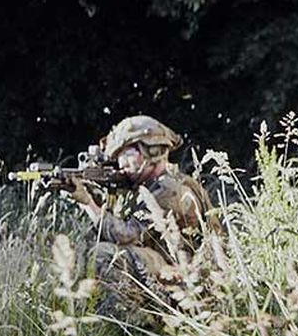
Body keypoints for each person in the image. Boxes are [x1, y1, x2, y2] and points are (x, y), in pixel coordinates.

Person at [64, 115, 212, 312]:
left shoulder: (169, 188)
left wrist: (88, 203)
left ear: (152, 150)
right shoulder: (143, 187)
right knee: (85, 248)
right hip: (166, 275)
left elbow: (126, 236)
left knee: (104, 254)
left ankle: (131, 323)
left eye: (127, 153)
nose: (120, 161)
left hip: (188, 283)